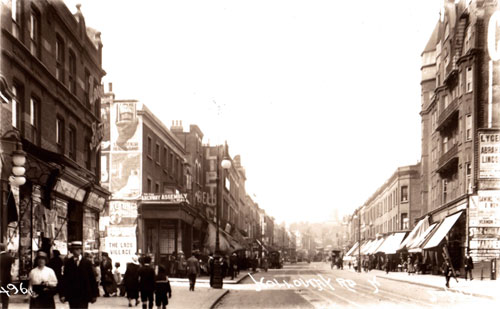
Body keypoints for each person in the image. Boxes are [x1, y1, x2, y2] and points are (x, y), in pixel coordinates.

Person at [60, 241, 98, 309]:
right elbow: (65, 280)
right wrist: (62, 294)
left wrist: (94, 294)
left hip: (84, 294)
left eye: (78, 249)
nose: (76, 251)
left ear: (81, 250)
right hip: (72, 294)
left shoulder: (87, 263)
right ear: (71, 251)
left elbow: (92, 279)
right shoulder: (68, 263)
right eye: (74, 249)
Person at [0, 243, 14, 309]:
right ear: (5, 248)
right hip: (7, 279)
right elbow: (13, 269)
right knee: (5, 296)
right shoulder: (10, 257)